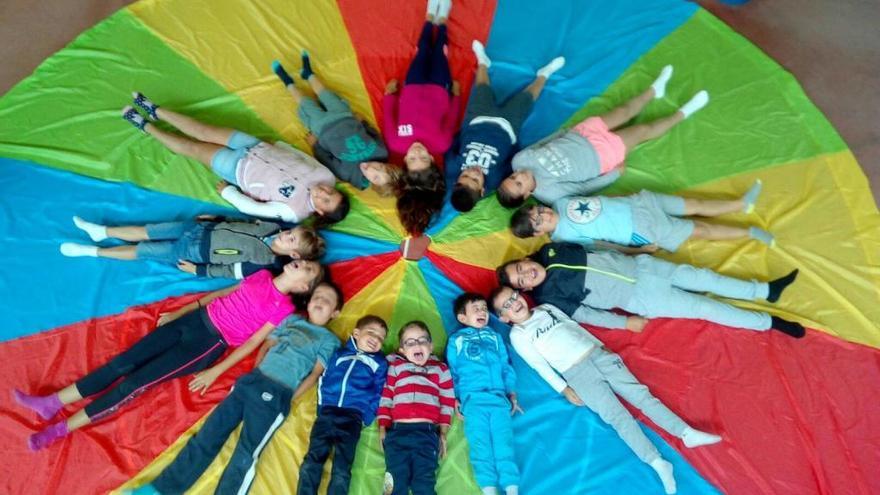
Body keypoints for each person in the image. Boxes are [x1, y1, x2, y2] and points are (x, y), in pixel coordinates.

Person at [13, 261, 325, 451]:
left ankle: (59, 430)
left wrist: (217, 371)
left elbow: (253, 343)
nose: (301, 264)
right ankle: (52, 403)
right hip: (194, 321)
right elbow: (223, 294)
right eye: (304, 262)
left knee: (133, 385)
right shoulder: (261, 276)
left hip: (209, 344)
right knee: (122, 363)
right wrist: (185, 309)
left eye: (308, 269)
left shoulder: (282, 308)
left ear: (304, 287)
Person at [490, 288, 722, 495]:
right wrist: (564, 389)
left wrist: (601, 346)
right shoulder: (518, 335)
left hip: (597, 355)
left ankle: (685, 432)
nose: (514, 303)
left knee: (641, 396)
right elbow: (539, 365)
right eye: (507, 305)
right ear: (504, 317)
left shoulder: (546, 309)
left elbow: (573, 326)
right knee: (618, 418)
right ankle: (657, 462)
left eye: (514, 296)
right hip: (577, 375)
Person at [127, 282, 343, 495]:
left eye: (327, 300)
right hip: (251, 382)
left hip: (278, 394)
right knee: (207, 435)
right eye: (317, 296)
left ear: (335, 312)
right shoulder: (291, 319)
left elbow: (314, 375)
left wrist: (288, 397)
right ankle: (162, 489)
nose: (320, 300)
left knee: (246, 453)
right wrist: (256, 373)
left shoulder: (328, 339)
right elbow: (266, 345)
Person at [497, 65, 709, 207]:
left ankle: (654, 90)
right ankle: (684, 112)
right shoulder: (549, 194)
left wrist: (565, 132)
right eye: (518, 184)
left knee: (624, 111)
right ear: (526, 195)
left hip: (581, 134)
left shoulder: (519, 161)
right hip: (600, 158)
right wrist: (613, 175)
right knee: (642, 131)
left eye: (513, 177)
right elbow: (584, 188)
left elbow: (543, 143)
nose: (519, 176)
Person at [121, 92, 349, 224]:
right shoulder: (326, 176)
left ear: (319, 212)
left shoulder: (295, 211)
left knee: (193, 148)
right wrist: (278, 145)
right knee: (204, 130)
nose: (326, 192)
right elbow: (303, 158)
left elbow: (256, 209)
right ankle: (154, 109)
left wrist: (230, 193)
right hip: (254, 146)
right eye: (332, 193)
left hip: (238, 170)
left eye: (326, 200)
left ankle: (146, 126)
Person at [497, 242, 805, 337]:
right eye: (521, 281)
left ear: (525, 259)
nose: (526, 275)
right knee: (705, 308)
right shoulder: (548, 298)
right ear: (524, 290)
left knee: (707, 279)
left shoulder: (553, 250)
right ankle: (770, 323)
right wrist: (624, 322)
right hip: (639, 297)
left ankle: (765, 290)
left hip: (645, 267)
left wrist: (636, 251)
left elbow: (598, 246)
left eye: (521, 269)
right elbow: (589, 315)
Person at [448, 40, 565, 212]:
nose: (472, 173)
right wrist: (513, 139)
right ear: (482, 190)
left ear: (457, 180)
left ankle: (483, 63)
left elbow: (452, 146)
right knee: (527, 99)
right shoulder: (495, 180)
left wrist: (466, 128)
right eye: (475, 180)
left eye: (465, 175)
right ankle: (543, 75)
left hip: (476, 120)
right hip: (507, 126)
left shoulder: (452, 168)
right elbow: (512, 160)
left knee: (481, 88)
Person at [509, 181, 775, 250]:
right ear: (538, 232)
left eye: (538, 210)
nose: (543, 213)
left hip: (637, 204)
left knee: (692, 204)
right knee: (699, 231)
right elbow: (602, 245)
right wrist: (637, 251)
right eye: (538, 220)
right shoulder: (563, 237)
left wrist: (628, 197)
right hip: (638, 230)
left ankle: (741, 204)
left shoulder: (561, 201)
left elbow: (598, 200)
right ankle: (749, 233)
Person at [272, 51, 391, 191]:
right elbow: (375, 135)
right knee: (326, 93)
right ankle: (308, 74)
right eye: (381, 167)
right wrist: (364, 123)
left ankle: (289, 83)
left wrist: (315, 145)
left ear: (372, 184)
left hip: (322, 129)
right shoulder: (381, 153)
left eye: (375, 177)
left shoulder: (349, 175)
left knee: (306, 103)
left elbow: (327, 160)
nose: (373, 168)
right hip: (344, 117)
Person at [59, 215, 326, 278]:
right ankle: (102, 231)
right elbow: (243, 223)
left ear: (293, 254)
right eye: (290, 231)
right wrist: (218, 219)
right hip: (198, 229)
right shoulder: (271, 227)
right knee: (149, 231)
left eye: (290, 239)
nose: (286, 234)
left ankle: (93, 251)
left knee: (143, 250)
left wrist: (198, 271)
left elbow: (229, 271)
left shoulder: (264, 261)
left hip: (195, 253)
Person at [297, 315, 389, 495]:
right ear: (356, 333)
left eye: (381, 338)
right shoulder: (339, 354)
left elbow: (379, 391)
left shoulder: (379, 363)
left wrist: (367, 417)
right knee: (312, 461)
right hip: (328, 412)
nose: (375, 339)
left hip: (353, 417)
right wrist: (322, 407)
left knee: (342, 468)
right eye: (371, 332)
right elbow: (324, 378)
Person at [447, 293, 521, 495]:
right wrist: (454, 398)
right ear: (463, 318)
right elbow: (452, 372)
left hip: (498, 399)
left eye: (484, 309)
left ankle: (512, 488)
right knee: (481, 447)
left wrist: (511, 392)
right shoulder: (456, 340)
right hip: (473, 402)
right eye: (476, 308)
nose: (482, 312)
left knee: (504, 445)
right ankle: (489, 490)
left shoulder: (495, 337)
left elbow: (506, 366)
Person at [377, 321, 455, 495]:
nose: (417, 345)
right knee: (394, 483)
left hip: (426, 433)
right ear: (402, 350)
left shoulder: (440, 369)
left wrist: (443, 432)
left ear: (431, 346)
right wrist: (382, 426)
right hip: (397, 432)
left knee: (424, 483)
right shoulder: (396, 367)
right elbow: (387, 396)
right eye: (410, 342)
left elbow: (447, 401)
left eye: (422, 340)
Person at [383, 0, 461, 167]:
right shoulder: (441, 144)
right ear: (432, 158)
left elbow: (389, 118)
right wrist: (456, 96)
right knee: (440, 53)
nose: (417, 153)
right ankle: (442, 21)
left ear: (404, 159)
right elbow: (451, 119)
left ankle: (429, 17)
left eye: (412, 158)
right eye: (423, 158)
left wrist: (389, 96)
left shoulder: (396, 143)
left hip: (412, 87)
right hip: (439, 89)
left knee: (422, 51)